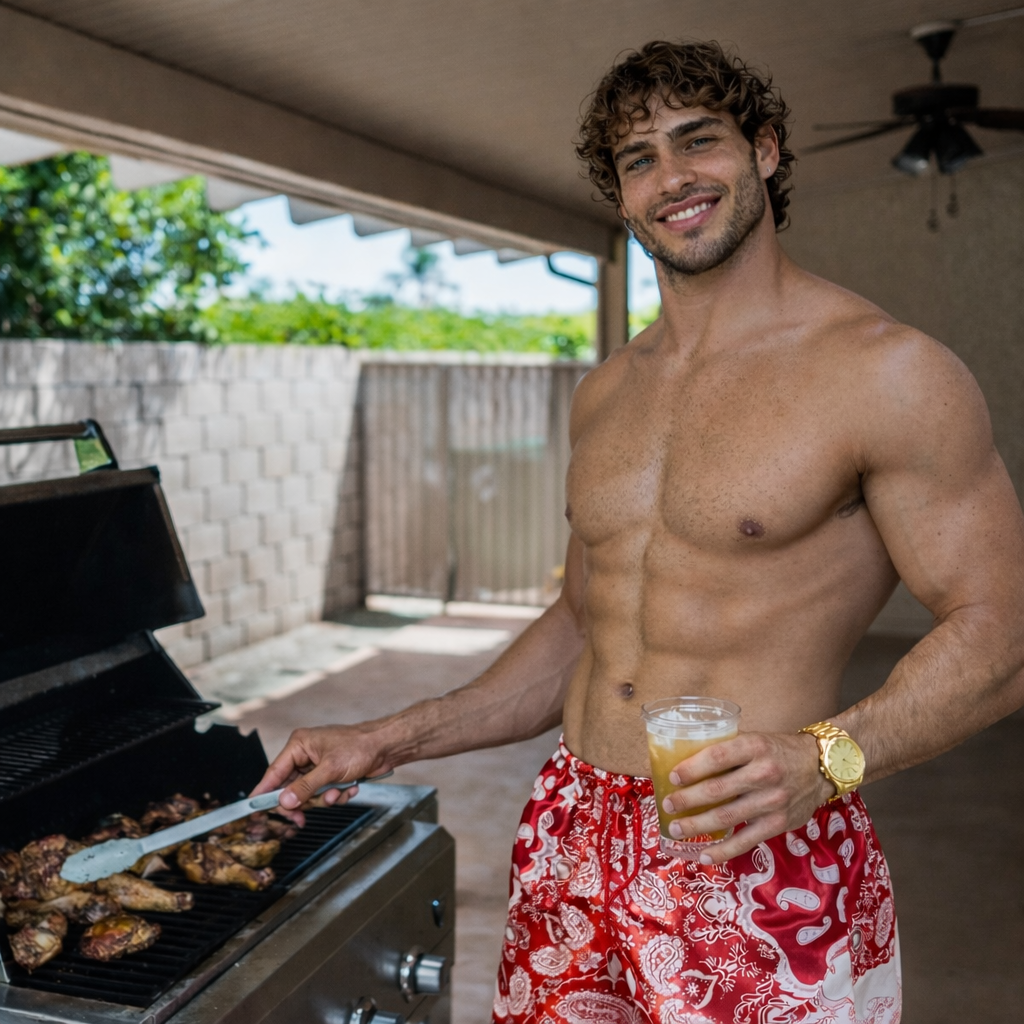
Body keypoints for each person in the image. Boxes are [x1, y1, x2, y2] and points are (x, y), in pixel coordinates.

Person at [254, 40, 1024, 1024]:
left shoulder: (885, 373)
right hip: (573, 828)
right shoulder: (607, 392)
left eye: (697, 141)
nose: (672, 178)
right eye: (638, 159)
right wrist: (387, 735)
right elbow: (581, 622)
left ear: (767, 151)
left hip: (752, 841)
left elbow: (1000, 633)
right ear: (619, 197)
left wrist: (826, 758)